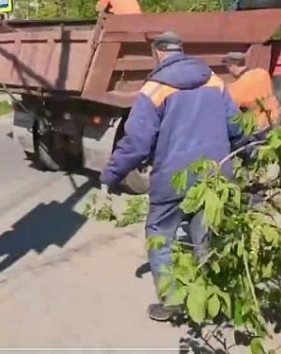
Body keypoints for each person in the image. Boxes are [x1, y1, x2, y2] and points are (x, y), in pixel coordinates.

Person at [100, 31, 246, 322]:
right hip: (215, 176)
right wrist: (249, 153)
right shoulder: (214, 81)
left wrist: (112, 174)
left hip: (172, 179)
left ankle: (172, 302)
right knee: (207, 238)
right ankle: (213, 300)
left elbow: (137, 142)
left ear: (158, 53)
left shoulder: (154, 89)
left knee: (161, 234)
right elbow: (236, 126)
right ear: (181, 50)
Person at [222, 52, 281, 135]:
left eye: (227, 67)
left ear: (232, 66)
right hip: (274, 118)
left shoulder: (237, 87)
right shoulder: (262, 73)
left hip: (257, 127)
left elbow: (231, 111)